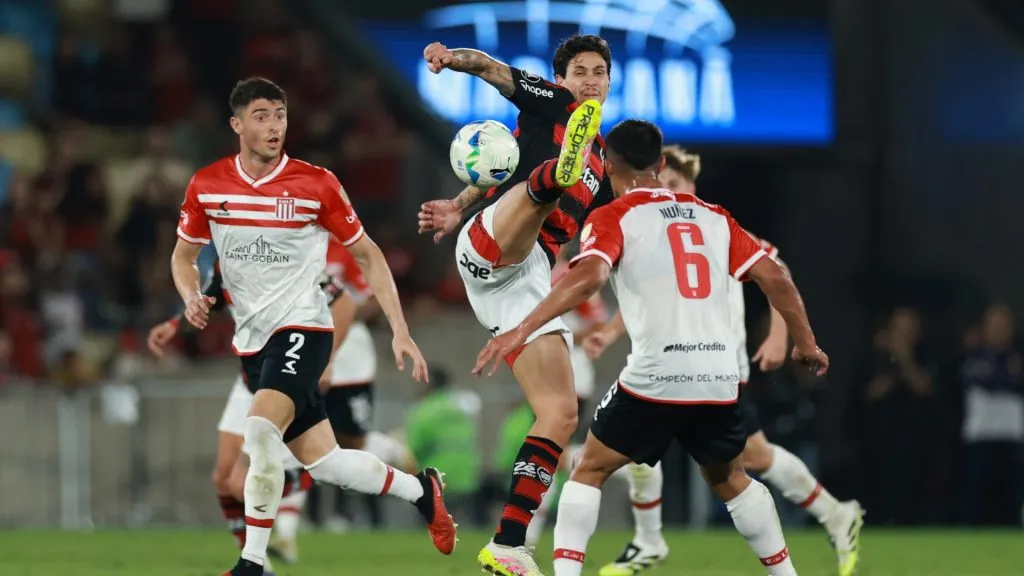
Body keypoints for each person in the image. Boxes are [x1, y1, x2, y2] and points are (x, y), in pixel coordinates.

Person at [473, 119, 829, 576]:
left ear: (605, 166)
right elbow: (775, 277)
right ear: (661, 164)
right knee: (729, 477)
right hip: (720, 378)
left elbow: (591, 277)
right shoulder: (715, 216)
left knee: (587, 468)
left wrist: (520, 328)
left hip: (657, 375)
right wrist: (807, 344)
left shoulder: (613, 215)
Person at [170, 77, 455, 576]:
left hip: (304, 328)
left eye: (280, 115)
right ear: (237, 124)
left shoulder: (316, 183)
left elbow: (368, 254)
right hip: (252, 342)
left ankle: (252, 564)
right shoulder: (207, 185)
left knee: (258, 432)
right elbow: (183, 257)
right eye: (262, 116)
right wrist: (191, 296)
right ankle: (420, 490)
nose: (274, 125)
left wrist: (399, 328)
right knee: (327, 463)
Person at [585, 146, 864, 576]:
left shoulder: (713, 225)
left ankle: (832, 515)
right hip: (685, 366)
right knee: (689, 454)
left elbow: (776, 270)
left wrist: (778, 334)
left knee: (745, 459)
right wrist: (610, 331)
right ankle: (649, 539)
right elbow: (655, 294)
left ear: (691, 186)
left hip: (718, 368)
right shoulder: (659, 232)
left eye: (675, 185)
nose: (665, 193)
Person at [418, 35, 611, 574]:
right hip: (494, 245)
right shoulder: (553, 102)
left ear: (610, 81)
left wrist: (456, 204)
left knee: (562, 411)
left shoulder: (603, 156)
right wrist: (450, 59)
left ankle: (507, 542)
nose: (590, 80)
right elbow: (489, 67)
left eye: (599, 72)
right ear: (564, 78)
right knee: (537, 192)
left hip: (526, 278)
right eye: (581, 72)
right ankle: (554, 178)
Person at [148, 257, 353, 574]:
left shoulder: (282, 254)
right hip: (248, 379)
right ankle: (261, 564)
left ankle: (303, 481)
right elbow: (207, 298)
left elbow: (344, 302)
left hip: (282, 375)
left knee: (245, 476)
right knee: (224, 480)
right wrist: (173, 324)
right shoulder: (226, 260)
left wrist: (329, 360)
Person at [305, 237, 411, 533]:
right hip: (309, 349)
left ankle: (356, 509)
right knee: (311, 437)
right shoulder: (294, 243)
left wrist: (344, 311)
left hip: (351, 359)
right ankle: (313, 517)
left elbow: (370, 297)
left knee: (352, 441)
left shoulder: (346, 249)